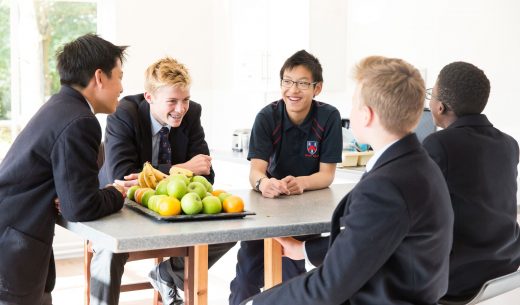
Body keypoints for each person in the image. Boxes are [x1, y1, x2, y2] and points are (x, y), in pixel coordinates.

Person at [241, 56, 455, 305]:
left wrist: (256, 304)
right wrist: (304, 251)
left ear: (366, 115)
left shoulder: (384, 186)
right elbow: (366, 239)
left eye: (354, 103)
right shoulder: (419, 165)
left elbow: (327, 288)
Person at [92, 56, 235, 305]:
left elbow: (206, 174)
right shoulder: (123, 113)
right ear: (149, 97)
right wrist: (182, 169)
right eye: (172, 101)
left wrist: (153, 174)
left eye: (185, 100)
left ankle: (169, 274)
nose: (180, 109)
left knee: (230, 229)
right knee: (108, 251)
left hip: (170, 208)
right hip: (121, 205)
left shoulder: (192, 114)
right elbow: (123, 175)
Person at [0, 34, 126, 305]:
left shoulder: (61, 107)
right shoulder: (80, 120)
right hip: (11, 249)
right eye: (119, 76)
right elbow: (80, 207)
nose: (122, 87)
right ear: (99, 77)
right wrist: (118, 192)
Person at [229, 50, 343, 305]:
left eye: (303, 83)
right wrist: (264, 183)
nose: (293, 89)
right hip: (267, 208)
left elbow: (327, 175)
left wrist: (300, 183)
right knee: (246, 276)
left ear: (317, 88)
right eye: (287, 81)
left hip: (308, 210)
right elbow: (255, 171)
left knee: (295, 279)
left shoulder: (329, 117)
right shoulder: (267, 116)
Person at [423, 61, 520, 302]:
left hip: (458, 278)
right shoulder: (509, 144)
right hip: (505, 265)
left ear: (440, 107)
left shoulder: (439, 144)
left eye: (430, 95)